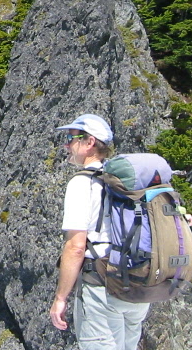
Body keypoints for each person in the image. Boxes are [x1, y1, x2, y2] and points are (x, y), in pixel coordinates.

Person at [48, 114, 150, 350]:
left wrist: (61, 298)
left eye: (71, 138)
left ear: (90, 142)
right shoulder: (126, 180)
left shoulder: (83, 182)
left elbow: (75, 247)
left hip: (102, 287)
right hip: (137, 285)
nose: (67, 144)